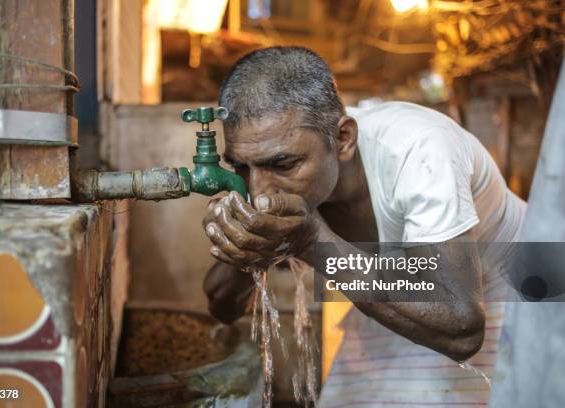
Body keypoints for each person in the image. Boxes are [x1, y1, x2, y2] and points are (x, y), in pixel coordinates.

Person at [202, 46, 526, 406]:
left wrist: (313, 244)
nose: (259, 190)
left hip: (518, 299)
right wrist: (244, 245)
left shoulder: (418, 149)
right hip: (395, 303)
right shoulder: (272, 169)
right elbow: (223, 306)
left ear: (343, 140)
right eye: (241, 168)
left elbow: (462, 329)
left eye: (283, 164)